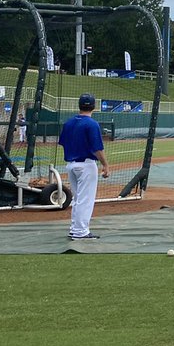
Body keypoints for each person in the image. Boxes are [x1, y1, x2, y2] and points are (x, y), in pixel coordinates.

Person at [58, 93, 110, 240]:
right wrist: (105, 165)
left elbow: (63, 143)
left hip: (71, 165)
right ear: (94, 106)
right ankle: (81, 232)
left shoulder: (69, 123)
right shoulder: (92, 124)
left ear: (79, 105)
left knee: (78, 199)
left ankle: (75, 229)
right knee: (85, 200)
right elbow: (97, 148)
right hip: (86, 165)